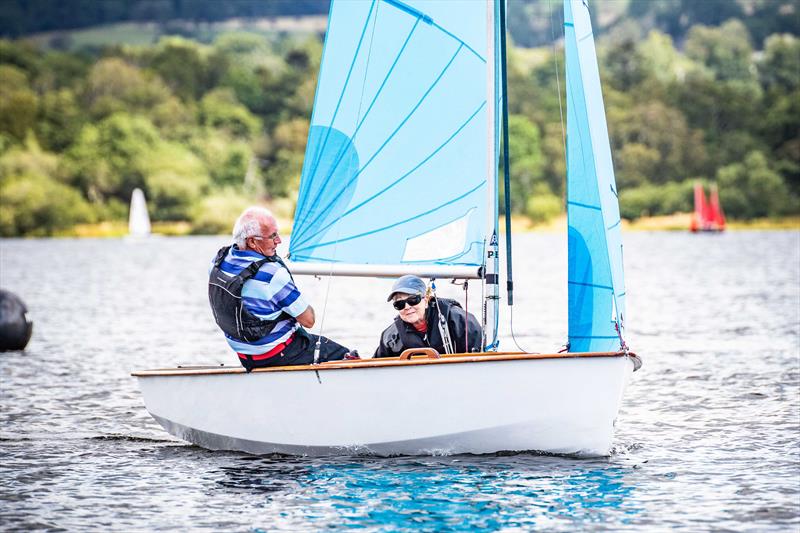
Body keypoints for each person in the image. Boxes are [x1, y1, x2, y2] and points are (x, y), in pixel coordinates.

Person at [208, 206, 356, 371]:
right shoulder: (272, 274)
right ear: (252, 241)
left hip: (244, 355)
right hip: (275, 354)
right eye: (272, 236)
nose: (279, 241)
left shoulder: (218, 262)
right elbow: (308, 320)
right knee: (348, 356)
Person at [374, 275, 482, 358]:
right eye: (399, 304)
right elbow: (376, 368)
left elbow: (481, 356)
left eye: (413, 300)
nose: (406, 307)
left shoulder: (459, 320)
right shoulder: (391, 337)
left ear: (426, 301)